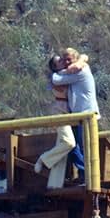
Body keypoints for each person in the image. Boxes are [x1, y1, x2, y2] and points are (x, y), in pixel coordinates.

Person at [51, 47, 99, 181]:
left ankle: (86, 175)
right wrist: (83, 58)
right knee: (76, 145)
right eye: (64, 59)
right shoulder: (75, 70)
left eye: (69, 59)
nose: (66, 62)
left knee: (81, 146)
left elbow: (56, 79)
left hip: (85, 115)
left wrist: (59, 71)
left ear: (76, 59)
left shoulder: (80, 71)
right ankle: (84, 174)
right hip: (78, 116)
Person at [34, 55, 78, 189]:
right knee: (69, 143)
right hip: (60, 113)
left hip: (69, 114)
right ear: (55, 67)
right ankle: (44, 158)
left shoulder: (64, 75)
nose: (62, 62)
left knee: (63, 149)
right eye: (59, 61)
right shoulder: (58, 77)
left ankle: (54, 185)